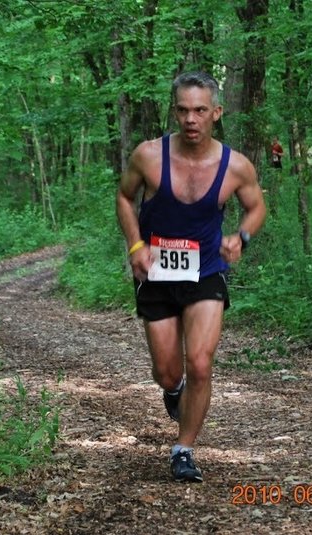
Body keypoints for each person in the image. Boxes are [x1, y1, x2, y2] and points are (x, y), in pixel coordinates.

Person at [116, 71, 266, 482]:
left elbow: (256, 207)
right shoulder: (148, 156)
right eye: (183, 110)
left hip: (206, 271)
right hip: (156, 269)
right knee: (168, 371)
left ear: (216, 112)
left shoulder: (235, 165)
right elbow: (125, 197)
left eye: (200, 110)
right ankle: (173, 391)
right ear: (174, 111)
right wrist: (135, 245)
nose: (191, 119)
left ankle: (184, 449)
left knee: (200, 362)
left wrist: (242, 236)